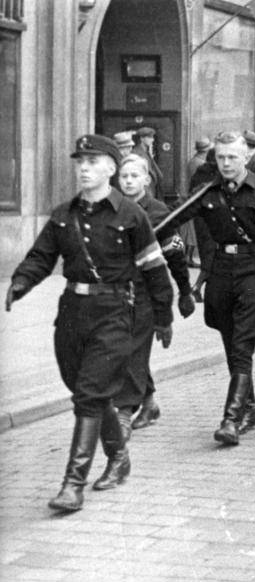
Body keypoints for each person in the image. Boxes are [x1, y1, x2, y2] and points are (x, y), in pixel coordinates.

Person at [5, 134, 173, 512]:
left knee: (90, 393)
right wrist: (20, 283)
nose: (84, 168)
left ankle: (73, 484)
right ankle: (119, 457)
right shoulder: (64, 214)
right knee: (83, 388)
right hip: (71, 315)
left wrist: (164, 317)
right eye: (80, 161)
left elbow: (155, 270)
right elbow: (41, 256)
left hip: (115, 314)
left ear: (111, 168)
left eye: (93, 162)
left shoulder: (132, 216)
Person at [165, 131, 255, 446]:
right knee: (231, 344)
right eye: (220, 157)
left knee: (241, 345)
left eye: (232, 157)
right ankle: (249, 407)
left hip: (254, 273)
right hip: (221, 274)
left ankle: (231, 418)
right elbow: (172, 218)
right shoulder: (205, 193)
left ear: (246, 158)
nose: (225, 163)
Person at [113, 154, 196, 434]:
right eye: (124, 176)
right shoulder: (111, 209)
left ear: (147, 180)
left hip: (147, 295)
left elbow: (175, 255)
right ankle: (149, 403)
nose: (128, 181)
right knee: (124, 350)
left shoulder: (159, 213)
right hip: (117, 294)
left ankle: (124, 411)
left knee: (132, 350)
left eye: (134, 176)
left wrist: (185, 292)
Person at [182, 137, 213, 269]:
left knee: (191, 231)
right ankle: (187, 257)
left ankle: (188, 257)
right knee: (192, 232)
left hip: (191, 197)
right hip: (196, 199)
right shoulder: (200, 164)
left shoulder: (193, 161)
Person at [133, 127, 165, 199]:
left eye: (152, 137)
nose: (152, 140)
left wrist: (151, 157)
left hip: (152, 191)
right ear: (142, 139)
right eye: (150, 137)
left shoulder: (146, 152)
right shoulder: (136, 153)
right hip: (144, 193)